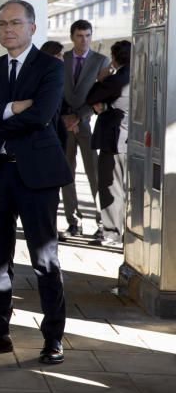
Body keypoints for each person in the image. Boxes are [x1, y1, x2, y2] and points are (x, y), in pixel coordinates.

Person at [0, 0, 71, 365]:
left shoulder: (50, 68)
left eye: (15, 23)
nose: (7, 30)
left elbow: (42, 115)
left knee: (45, 259)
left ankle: (53, 337)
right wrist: (12, 108)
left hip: (38, 176)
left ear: (32, 28)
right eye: (1, 24)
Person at [60, 20, 110, 237]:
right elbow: (57, 91)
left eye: (88, 35)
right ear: (72, 37)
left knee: (95, 175)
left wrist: (79, 117)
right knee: (66, 174)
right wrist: (65, 117)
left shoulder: (101, 61)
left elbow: (105, 95)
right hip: (64, 124)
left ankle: (103, 223)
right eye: (80, 36)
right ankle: (73, 221)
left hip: (88, 125)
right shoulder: (63, 59)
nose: (84, 40)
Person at [86, 40, 131, 249]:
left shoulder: (116, 79)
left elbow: (91, 97)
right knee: (129, 189)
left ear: (114, 57)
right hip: (134, 140)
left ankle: (112, 233)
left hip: (114, 141)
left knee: (110, 187)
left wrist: (101, 79)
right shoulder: (140, 75)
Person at [39, 40, 68, 150]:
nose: (62, 59)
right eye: (59, 55)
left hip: (57, 128)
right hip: (46, 132)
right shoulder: (40, 78)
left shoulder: (57, 75)